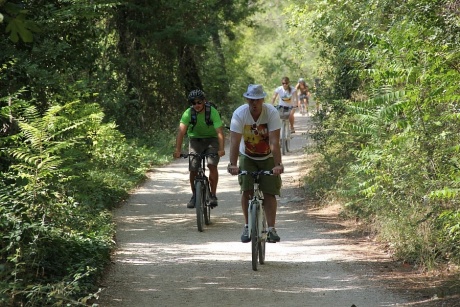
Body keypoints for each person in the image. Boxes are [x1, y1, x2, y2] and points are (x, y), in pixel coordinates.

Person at [227, 84, 284, 243]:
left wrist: (278, 164)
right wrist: (232, 164)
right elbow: (234, 141)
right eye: (251, 100)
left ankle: (271, 228)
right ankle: (247, 225)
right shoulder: (239, 114)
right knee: (247, 190)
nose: (254, 103)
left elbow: (274, 141)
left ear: (262, 100)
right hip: (248, 156)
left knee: (269, 192)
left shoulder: (271, 113)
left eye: (257, 100)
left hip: (268, 157)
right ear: (246, 99)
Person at [173, 89, 225, 208]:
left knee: (212, 164)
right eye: (194, 103)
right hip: (195, 141)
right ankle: (194, 195)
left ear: (204, 101)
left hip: (212, 140)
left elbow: (220, 132)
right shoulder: (188, 113)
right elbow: (181, 132)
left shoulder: (212, 112)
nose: (196, 105)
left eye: (199, 102)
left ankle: (213, 194)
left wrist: (221, 148)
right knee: (193, 168)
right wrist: (178, 150)